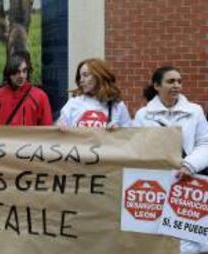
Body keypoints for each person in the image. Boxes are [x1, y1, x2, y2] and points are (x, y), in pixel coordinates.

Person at [134, 66, 208, 254]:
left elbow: (205, 144)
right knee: (157, 240)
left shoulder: (195, 111)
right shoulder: (144, 115)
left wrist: (189, 165)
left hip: (188, 181)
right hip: (156, 186)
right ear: (157, 86)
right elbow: (136, 148)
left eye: (179, 81)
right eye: (170, 81)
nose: (176, 85)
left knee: (188, 242)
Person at [56, 58, 131, 128]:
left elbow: (129, 137)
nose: (81, 80)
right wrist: (59, 125)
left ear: (99, 76)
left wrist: (117, 132)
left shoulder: (118, 106)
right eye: (80, 76)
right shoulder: (73, 103)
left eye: (85, 75)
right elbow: (61, 130)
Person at [0, 53, 53, 125]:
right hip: (4, 136)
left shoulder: (40, 97)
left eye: (24, 71)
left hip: (29, 136)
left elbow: (47, 128)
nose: (21, 75)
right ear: (9, 74)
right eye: (17, 72)